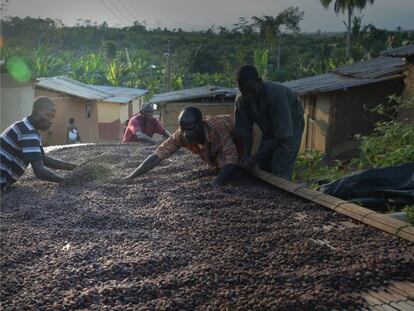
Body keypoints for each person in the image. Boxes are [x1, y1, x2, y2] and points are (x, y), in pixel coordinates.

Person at [124, 107, 241, 186]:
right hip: (214, 149)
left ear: (201, 124)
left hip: (238, 140)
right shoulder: (181, 135)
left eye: (190, 129)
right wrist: (131, 177)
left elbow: (231, 158)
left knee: (233, 168)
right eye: (183, 129)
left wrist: (216, 183)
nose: (186, 134)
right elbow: (157, 156)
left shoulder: (217, 128)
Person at [234, 65, 304, 180]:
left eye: (252, 90)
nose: (249, 95)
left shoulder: (276, 95)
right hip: (269, 129)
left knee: (280, 168)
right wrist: (246, 156)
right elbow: (244, 132)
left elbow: (283, 134)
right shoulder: (241, 100)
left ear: (260, 82)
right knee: (264, 165)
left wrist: (256, 157)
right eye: (244, 92)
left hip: (290, 127)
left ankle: (282, 192)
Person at [0, 97, 78, 193]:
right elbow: (39, 171)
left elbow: (43, 159)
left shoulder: (25, 126)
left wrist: (76, 168)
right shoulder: (28, 132)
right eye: (48, 115)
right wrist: (68, 182)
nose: (50, 121)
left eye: (52, 117)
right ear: (36, 112)